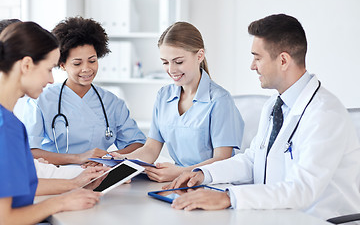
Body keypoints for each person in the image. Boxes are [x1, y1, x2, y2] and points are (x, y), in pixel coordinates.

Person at [165, 14, 360, 220]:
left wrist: (230, 198)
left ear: (283, 60)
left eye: (257, 57)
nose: (252, 65)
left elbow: (303, 189)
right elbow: (252, 161)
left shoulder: (324, 114)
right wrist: (203, 174)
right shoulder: (275, 106)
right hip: (276, 215)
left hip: (320, 220)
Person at [0, 21, 109, 224]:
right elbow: (4, 218)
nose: (51, 80)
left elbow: (20, 186)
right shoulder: (6, 127)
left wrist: (76, 183)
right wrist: (60, 203)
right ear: (26, 65)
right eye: (49, 69)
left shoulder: (8, 121)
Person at [112, 22, 244, 183]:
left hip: (212, 184)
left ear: (200, 55)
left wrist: (180, 172)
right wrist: (119, 159)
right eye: (165, 62)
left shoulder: (220, 100)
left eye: (178, 61)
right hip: (175, 183)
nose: (171, 70)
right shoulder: (163, 96)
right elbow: (151, 149)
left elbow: (222, 160)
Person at [22, 17, 146, 166]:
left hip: (101, 174)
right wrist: (79, 158)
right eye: (77, 63)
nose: (86, 68)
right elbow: (30, 151)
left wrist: (106, 159)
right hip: (58, 175)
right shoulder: (41, 100)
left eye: (92, 61)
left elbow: (137, 144)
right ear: (62, 65)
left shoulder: (112, 102)